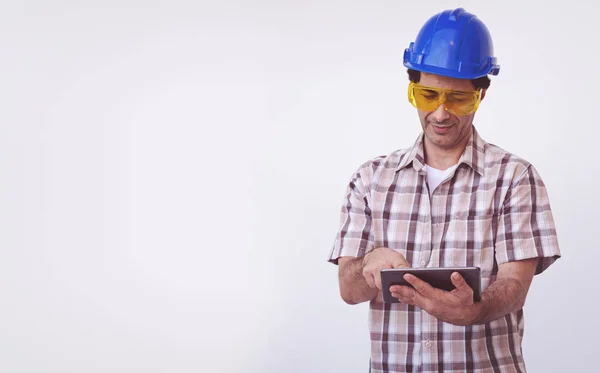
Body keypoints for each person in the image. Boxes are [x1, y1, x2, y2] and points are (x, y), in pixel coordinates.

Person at [327, 7, 561, 373]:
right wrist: (367, 267)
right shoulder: (369, 179)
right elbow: (348, 288)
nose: (439, 113)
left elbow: (515, 285)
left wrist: (476, 309)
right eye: (427, 95)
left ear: (481, 95)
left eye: (458, 99)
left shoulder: (514, 177)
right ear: (412, 87)